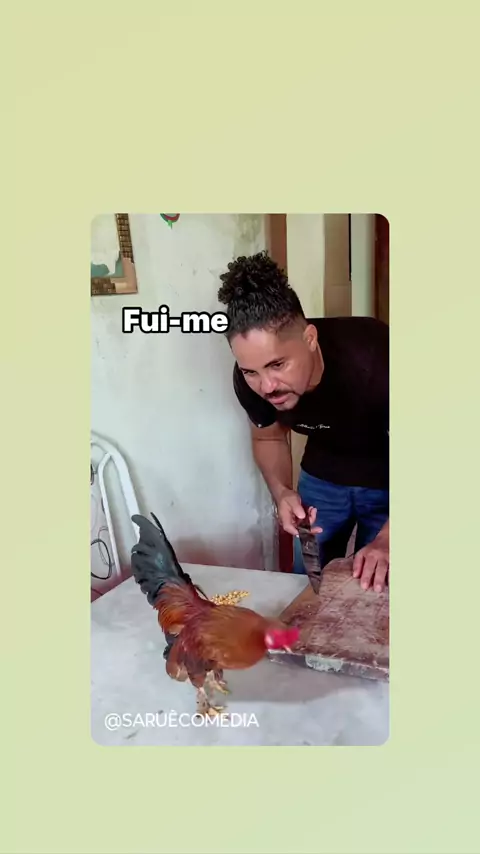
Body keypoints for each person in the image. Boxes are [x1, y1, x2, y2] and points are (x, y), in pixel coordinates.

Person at [217, 250, 389, 593]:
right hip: (321, 477)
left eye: (278, 365)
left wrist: (390, 538)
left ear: (310, 339)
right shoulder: (249, 379)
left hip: (388, 475)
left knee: (377, 585)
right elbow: (267, 437)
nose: (266, 386)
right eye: (252, 371)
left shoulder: (377, 356)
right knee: (306, 584)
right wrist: (282, 492)